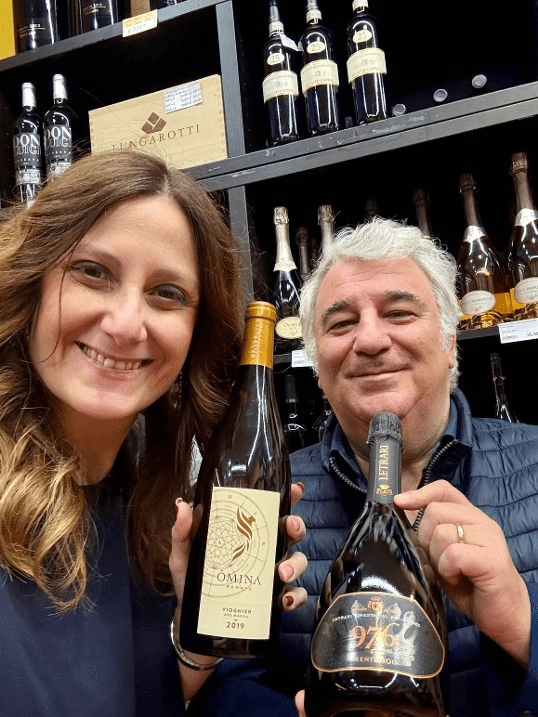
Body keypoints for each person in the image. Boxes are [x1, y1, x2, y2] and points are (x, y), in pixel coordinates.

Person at [188, 217, 538, 717]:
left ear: (449, 341)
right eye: (341, 324)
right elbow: (224, 686)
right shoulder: (272, 500)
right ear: (317, 365)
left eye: (399, 313)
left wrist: (522, 623)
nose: (370, 340)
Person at [0, 149, 307, 717]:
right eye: (93, 272)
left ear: (195, 333)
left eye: (167, 293)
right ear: (33, 280)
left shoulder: (151, 503)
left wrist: (194, 645)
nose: (125, 324)